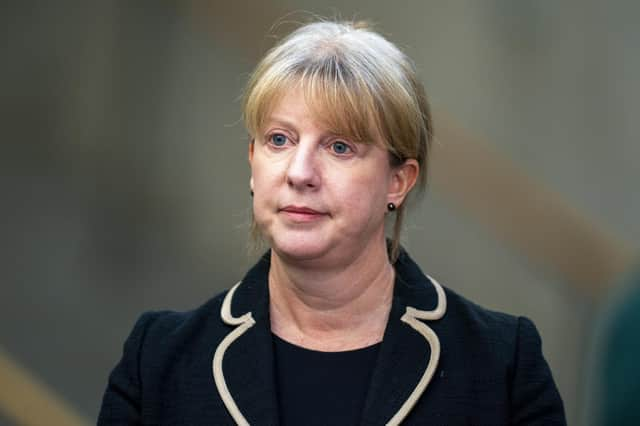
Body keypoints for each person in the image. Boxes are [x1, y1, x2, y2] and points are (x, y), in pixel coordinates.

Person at [98, 20, 566, 425]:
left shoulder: (501, 365)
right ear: (252, 161)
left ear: (398, 182)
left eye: (340, 147)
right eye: (279, 139)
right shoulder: (159, 360)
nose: (300, 172)